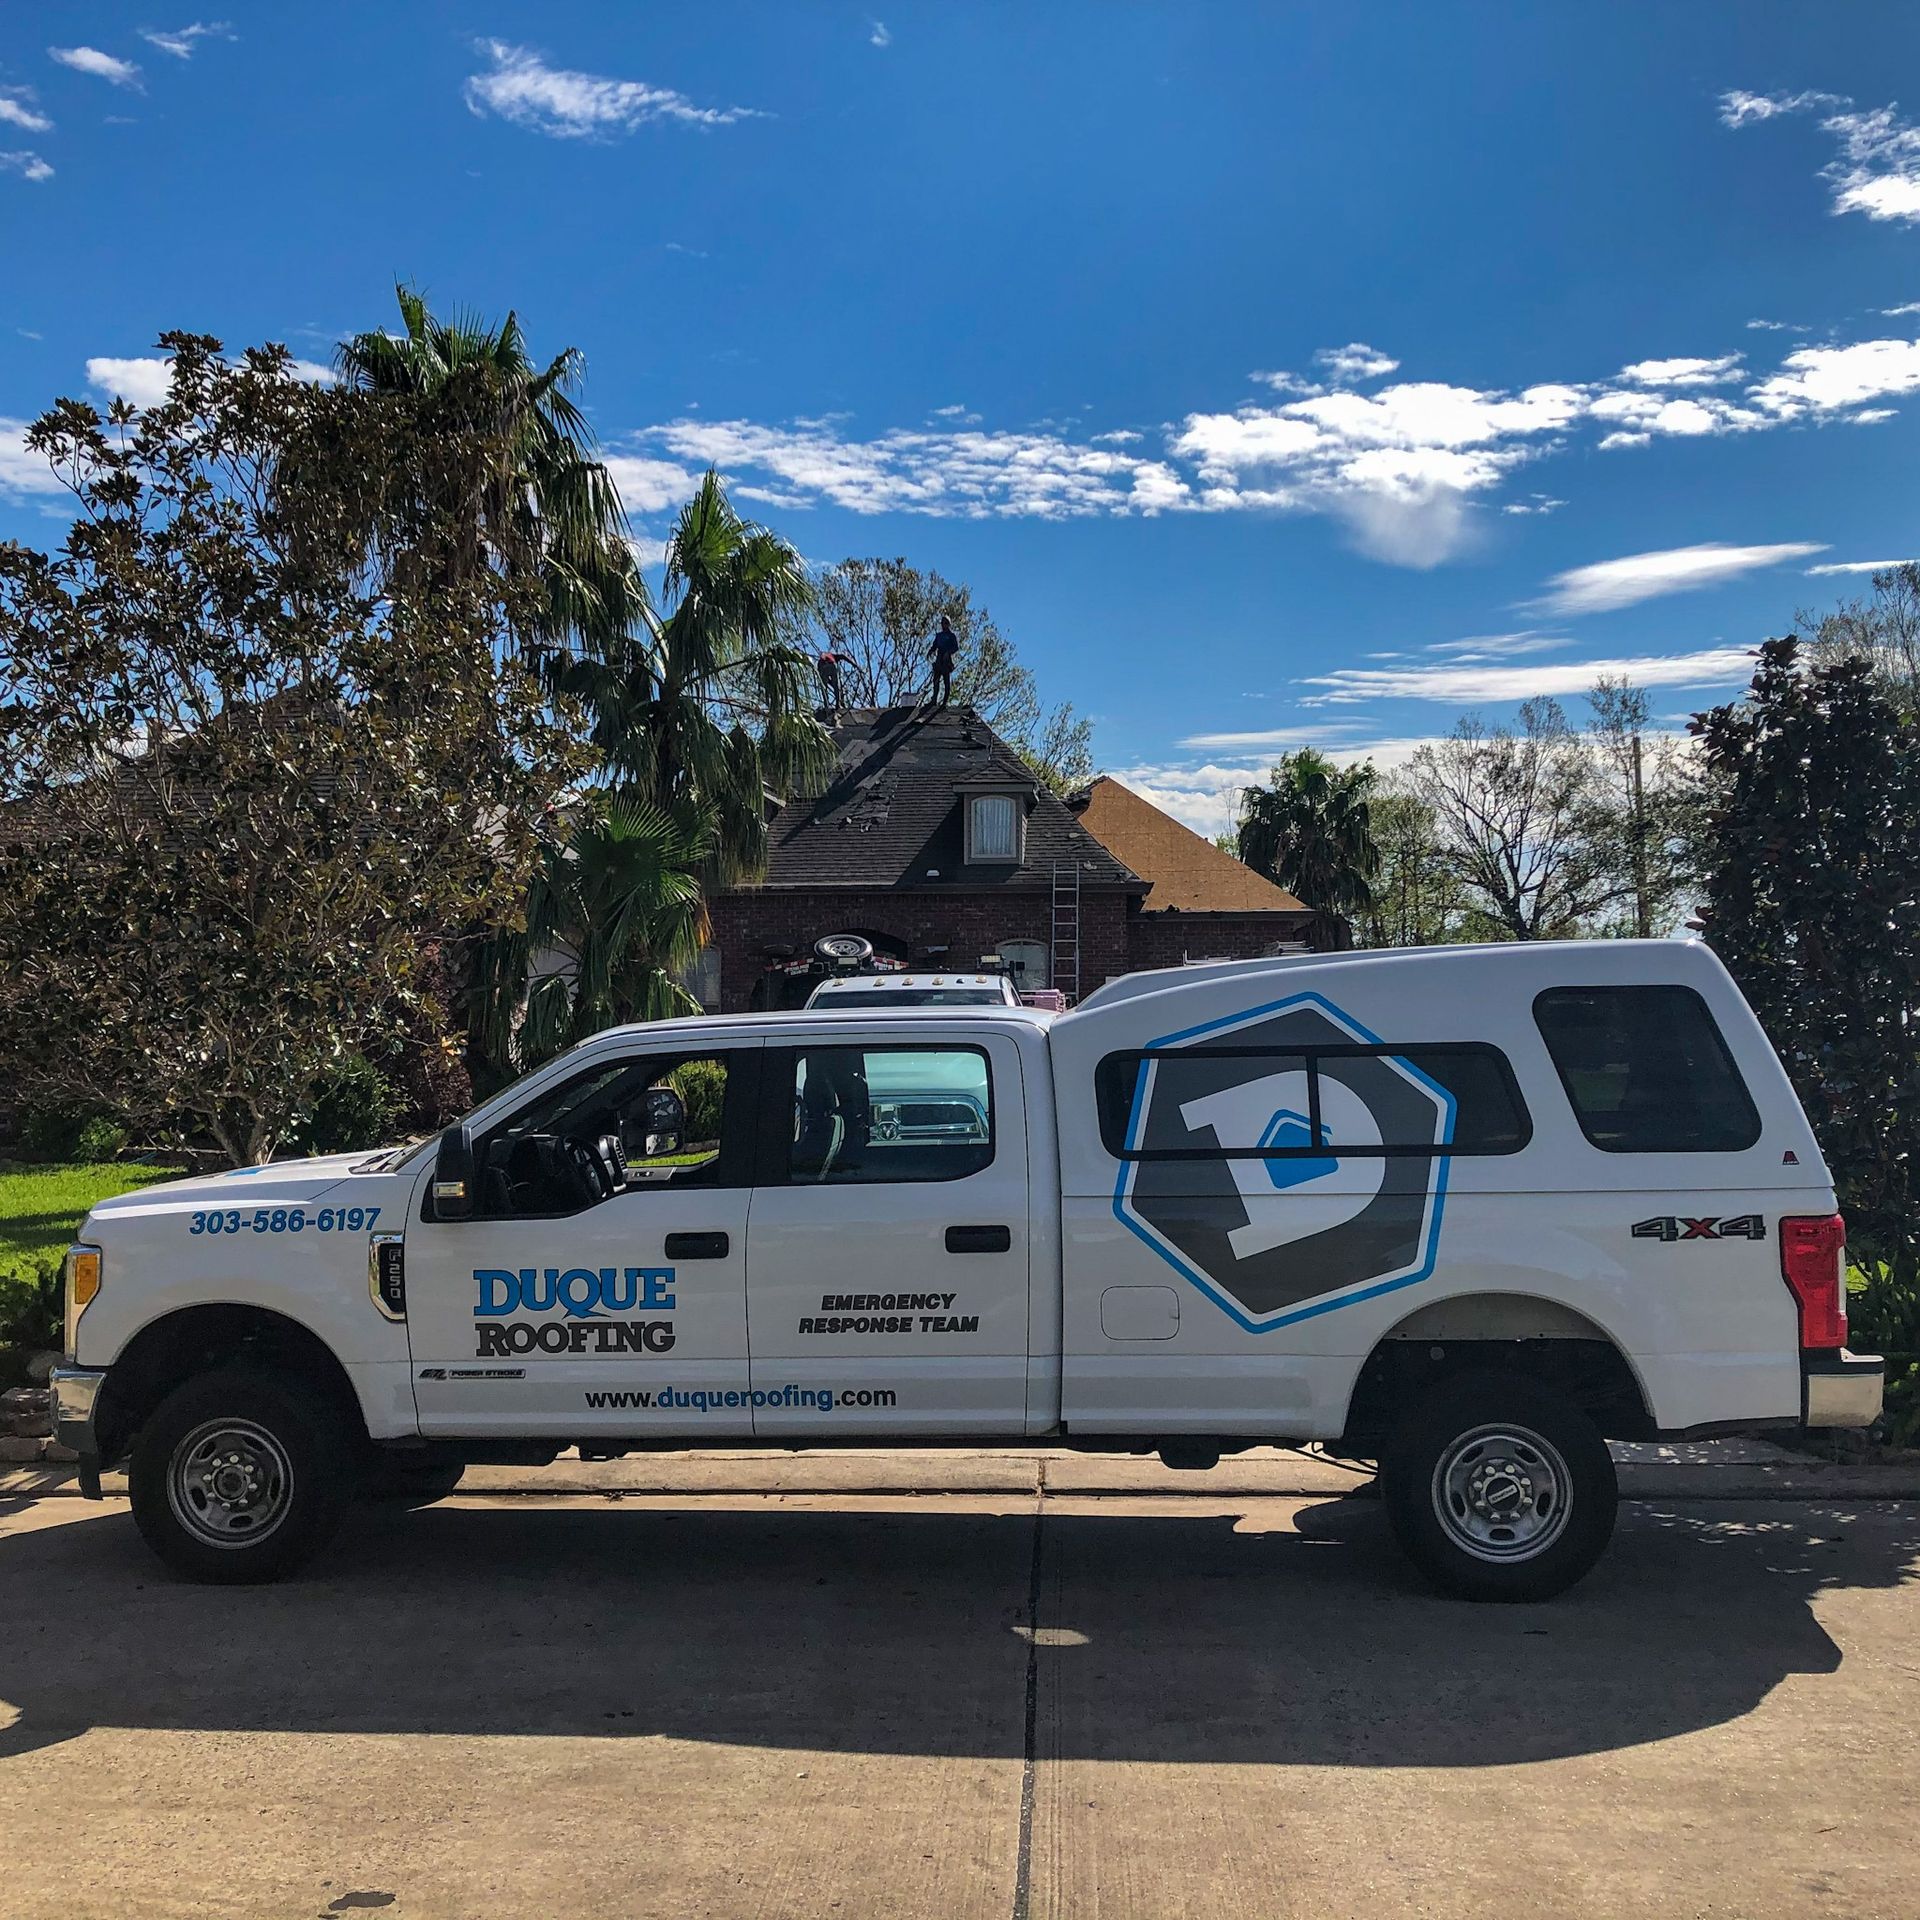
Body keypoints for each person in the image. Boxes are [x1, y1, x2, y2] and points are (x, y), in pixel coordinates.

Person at [929, 616, 960, 707]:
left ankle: (944, 702)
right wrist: (930, 651)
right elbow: (934, 646)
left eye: (945, 623)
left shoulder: (951, 636)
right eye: (942, 623)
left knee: (946, 682)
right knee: (936, 680)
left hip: (946, 661)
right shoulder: (939, 636)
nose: (943, 625)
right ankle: (934, 699)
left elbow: (955, 647)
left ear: (949, 624)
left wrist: (948, 652)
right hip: (939, 659)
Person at [817, 647, 843, 715]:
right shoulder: (833, 656)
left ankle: (826, 705)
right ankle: (838, 705)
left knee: (824, 688)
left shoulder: (820, 661)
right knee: (836, 687)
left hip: (823, 667)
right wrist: (854, 664)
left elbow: (820, 675)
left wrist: (828, 682)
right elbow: (843, 656)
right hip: (832, 666)